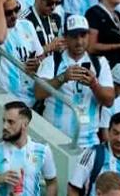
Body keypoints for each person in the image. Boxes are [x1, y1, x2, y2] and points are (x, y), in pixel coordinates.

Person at [35, 14, 115, 151]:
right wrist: (62, 78)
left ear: (88, 36)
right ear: (65, 37)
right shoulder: (53, 61)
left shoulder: (99, 63)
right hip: (53, 139)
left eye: (83, 35)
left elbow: (109, 100)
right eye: (74, 36)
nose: (79, 41)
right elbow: (38, 93)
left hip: (88, 142)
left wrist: (94, 84)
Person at [0, 102, 56, 196]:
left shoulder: (42, 149)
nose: (5, 126)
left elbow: (52, 183)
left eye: (10, 122)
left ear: (24, 124)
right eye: (4, 121)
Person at [66, 114, 120, 196]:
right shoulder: (92, 154)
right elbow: (73, 188)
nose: (119, 139)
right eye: (115, 133)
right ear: (109, 131)